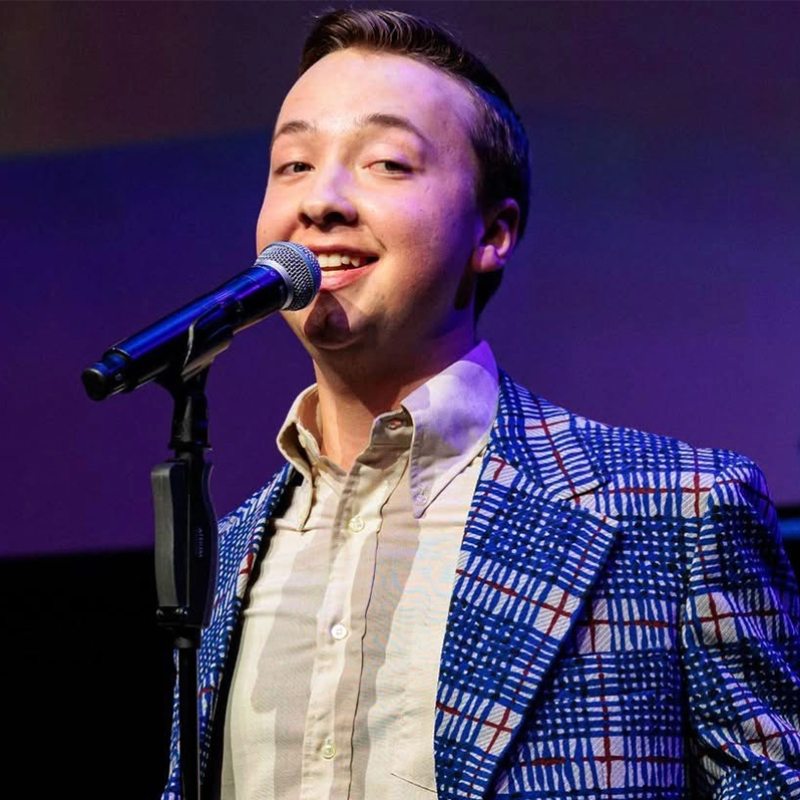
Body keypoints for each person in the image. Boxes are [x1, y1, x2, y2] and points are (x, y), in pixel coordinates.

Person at [163, 8, 800, 799]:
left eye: (387, 163)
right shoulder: (227, 555)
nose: (319, 201)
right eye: (293, 164)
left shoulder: (678, 510)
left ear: (493, 232)